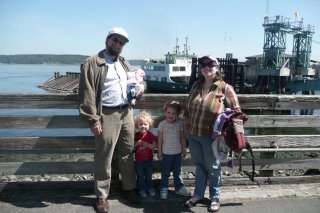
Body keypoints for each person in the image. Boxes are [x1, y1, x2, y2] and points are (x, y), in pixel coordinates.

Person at [78, 27, 146, 213]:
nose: (118, 44)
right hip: (106, 115)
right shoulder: (92, 63)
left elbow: (135, 82)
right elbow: (87, 94)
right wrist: (93, 120)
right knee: (104, 156)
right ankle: (101, 196)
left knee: (127, 152)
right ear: (107, 40)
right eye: (115, 40)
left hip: (127, 113)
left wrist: (141, 88)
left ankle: (129, 188)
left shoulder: (124, 63)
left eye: (121, 42)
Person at [183, 55, 241, 212]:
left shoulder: (225, 88)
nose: (206, 67)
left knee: (214, 168)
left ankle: (215, 197)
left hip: (213, 138)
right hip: (193, 134)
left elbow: (237, 113)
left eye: (210, 64)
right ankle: (198, 195)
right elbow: (188, 110)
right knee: (200, 166)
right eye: (203, 64)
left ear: (217, 68)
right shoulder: (196, 85)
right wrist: (186, 131)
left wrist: (224, 125)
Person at [157, 100, 191, 200]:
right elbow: (159, 140)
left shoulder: (179, 124)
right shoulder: (162, 125)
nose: (170, 115)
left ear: (178, 114)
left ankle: (179, 187)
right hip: (166, 153)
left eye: (173, 113)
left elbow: (182, 138)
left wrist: (184, 150)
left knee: (177, 171)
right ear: (165, 112)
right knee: (165, 172)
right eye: (168, 112)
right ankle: (163, 187)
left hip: (178, 152)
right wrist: (159, 151)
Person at [134, 111, 157, 198]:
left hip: (149, 161)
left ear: (149, 125)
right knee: (140, 177)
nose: (143, 126)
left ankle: (150, 188)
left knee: (148, 176)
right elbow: (133, 146)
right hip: (139, 161)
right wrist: (137, 143)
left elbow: (153, 146)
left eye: (145, 124)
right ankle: (141, 189)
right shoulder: (136, 135)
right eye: (140, 124)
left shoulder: (150, 135)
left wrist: (146, 144)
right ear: (137, 125)